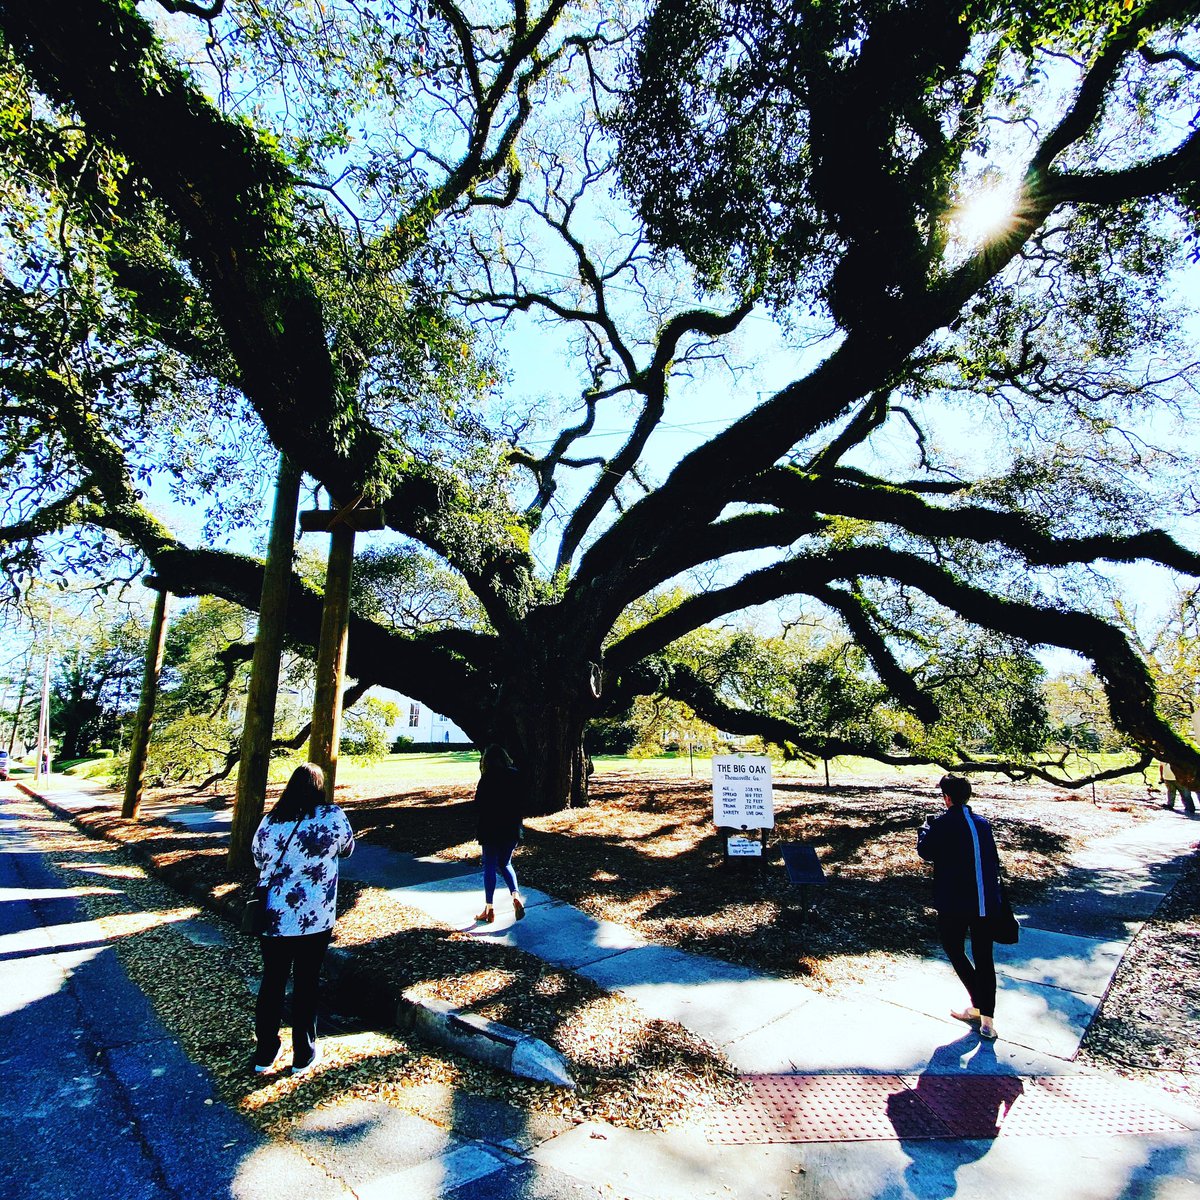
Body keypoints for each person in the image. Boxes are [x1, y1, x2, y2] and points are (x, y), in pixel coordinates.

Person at [250, 762, 355, 1075]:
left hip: (274, 915)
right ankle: (303, 1054)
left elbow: (257, 857)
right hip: (314, 917)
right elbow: (347, 848)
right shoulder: (332, 816)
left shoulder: (270, 821)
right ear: (320, 789)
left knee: (272, 982)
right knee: (307, 982)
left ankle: (265, 1052)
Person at [917, 774, 1003, 1041]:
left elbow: (926, 852)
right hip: (985, 901)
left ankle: (978, 1003)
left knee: (954, 949)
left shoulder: (942, 824)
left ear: (947, 798)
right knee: (984, 958)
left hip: (954, 901)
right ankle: (986, 1019)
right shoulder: (983, 824)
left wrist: (924, 829)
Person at [472, 744, 526, 924]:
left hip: (490, 828)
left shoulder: (487, 778)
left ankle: (489, 909)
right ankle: (516, 895)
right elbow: (523, 801)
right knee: (505, 863)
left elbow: (478, 804)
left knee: (489, 865)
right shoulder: (516, 776)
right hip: (511, 828)